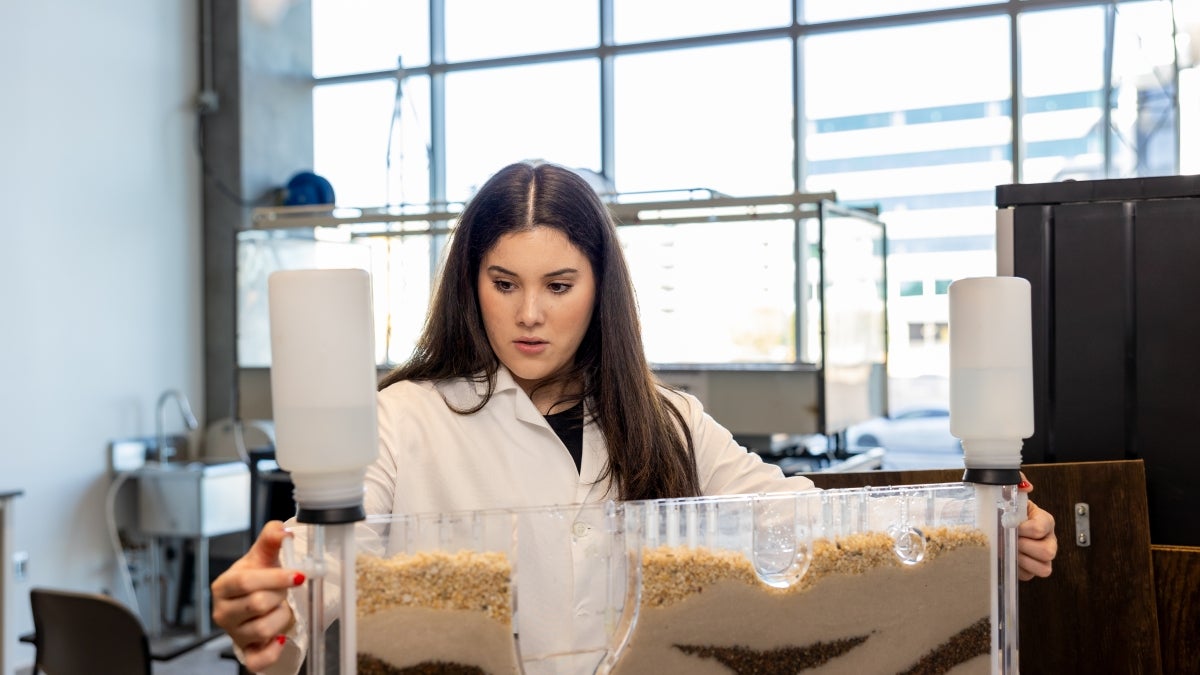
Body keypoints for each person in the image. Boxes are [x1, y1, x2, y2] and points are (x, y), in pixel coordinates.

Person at [212, 161, 1058, 674]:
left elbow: (798, 517)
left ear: (599, 288)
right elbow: (329, 558)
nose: (529, 314)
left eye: (559, 285)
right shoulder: (402, 419)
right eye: (504, 283)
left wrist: (981, 533)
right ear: (471, 284)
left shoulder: (667, 423)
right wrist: (273, 599)